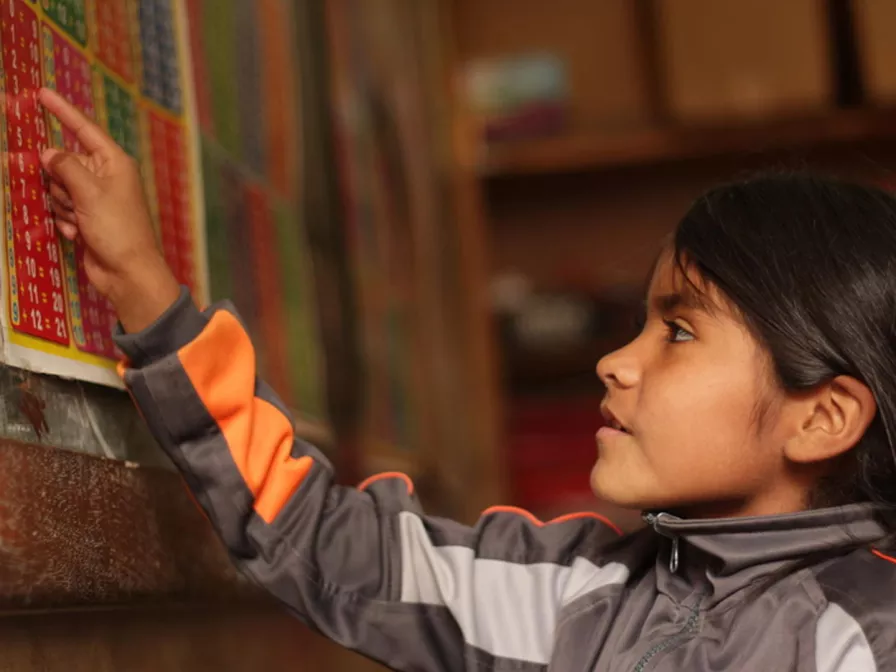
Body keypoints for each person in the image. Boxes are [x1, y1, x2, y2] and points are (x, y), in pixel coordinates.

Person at [37, 86, 896, 671]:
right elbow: (319, 540)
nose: (615, 360)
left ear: (822, 418)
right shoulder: (576, 592)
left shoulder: (861, 642)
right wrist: (147, 292)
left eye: (677, 331)